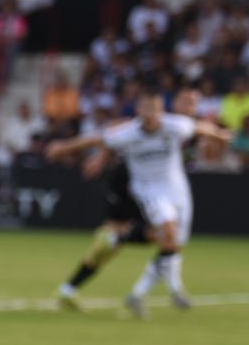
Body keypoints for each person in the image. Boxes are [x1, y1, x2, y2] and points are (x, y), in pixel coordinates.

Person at [46, 92, 232, 319]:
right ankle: (167, 289)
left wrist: (219, 134)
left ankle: (133, 286)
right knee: (167, 236)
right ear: (139, 110)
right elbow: (98, 138)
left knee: (169, 242)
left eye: (154, 109)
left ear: (161, 110)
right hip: (144, 189)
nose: (150, 115)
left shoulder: (177, 125)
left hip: (175, 190)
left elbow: (201, 128)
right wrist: (65, 148)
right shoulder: (129, 132)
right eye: (146, 109)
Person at [55, 152, 148, 310]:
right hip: (131, 180)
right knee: (112, 242)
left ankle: (68, 289)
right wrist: (100, 158)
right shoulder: (126, 159)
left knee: (110, 245)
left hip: (148, 182)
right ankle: (69, 289)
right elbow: (110, 138)